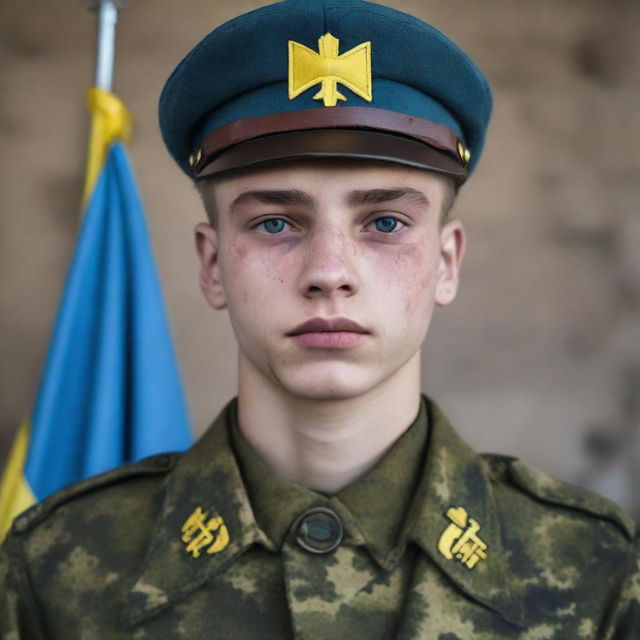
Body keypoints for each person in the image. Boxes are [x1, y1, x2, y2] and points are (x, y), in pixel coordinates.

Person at [1, 0, 638, 637]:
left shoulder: (599, 573)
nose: (329, 272)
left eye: (385, 223)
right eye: (276, 223)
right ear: (213, 262)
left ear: (446, 262)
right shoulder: (54, 569)